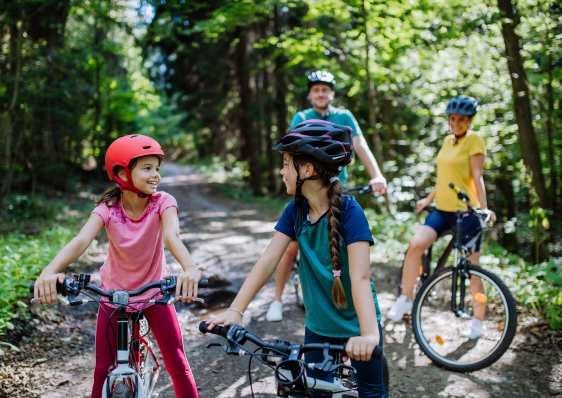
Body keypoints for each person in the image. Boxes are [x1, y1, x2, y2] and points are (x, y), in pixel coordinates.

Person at [208, 120, 385, 397]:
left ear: (307, 169)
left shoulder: (351, 212)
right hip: (319, 327)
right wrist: (236, 310)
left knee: (372, 394)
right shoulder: (295, 212)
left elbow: (361, 278)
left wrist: (369, 335)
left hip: (358, 324)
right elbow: (268, 261)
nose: (281, 171)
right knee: (315, 393)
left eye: (286, 163)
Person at [32, 135, 201, 398]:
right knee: (102, 370)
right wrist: (49, 270)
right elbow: (81, 241)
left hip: (155, 291)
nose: (155, 175)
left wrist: (189, 268)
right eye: (147, 168)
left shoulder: (163, 202)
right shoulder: (108, 208)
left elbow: (172, 237)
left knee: (177, 363)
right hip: (113, 295)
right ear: (122, 172)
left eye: (157, 168)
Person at [266, 70, 387, 322]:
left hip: (334, 191)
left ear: (331, 94)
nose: (320, 94)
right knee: (290, 246)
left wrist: (376, 175)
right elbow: (293, 152)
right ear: (310, 95)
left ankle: (345, 301)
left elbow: (360, 146)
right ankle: (277, 300)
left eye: (325, 90)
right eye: (316, 90)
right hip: (308, 190)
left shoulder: (344, 116)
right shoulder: (301, 116)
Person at [387, 96, 497, 339]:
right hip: (442, 210)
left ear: (469, 121)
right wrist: (428, 199)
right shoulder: (447, 141)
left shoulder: (474, 140)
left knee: (472, 268)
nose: (455, 123)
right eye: (452, 118)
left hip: (466, 212)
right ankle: (405, 300)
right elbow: (444, 178)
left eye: (461, 119)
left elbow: (477, 177)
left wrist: (484, 208)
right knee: (416, 245)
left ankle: (478, 322)